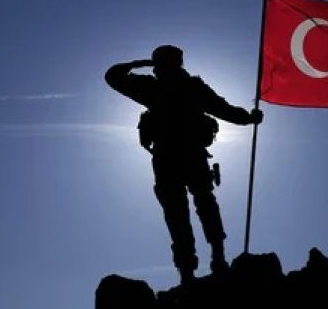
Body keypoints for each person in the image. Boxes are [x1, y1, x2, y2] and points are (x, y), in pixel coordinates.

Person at [105, 45, 262, 284]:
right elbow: (112, 77)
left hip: (180, 157)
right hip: (176, 157)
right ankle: (200, 265)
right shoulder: (166, 87)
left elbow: (223, 109)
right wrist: (248, 118)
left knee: (190, 210)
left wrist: (248, 118)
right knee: (188, 210)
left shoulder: (164, 87)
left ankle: (204, 264)